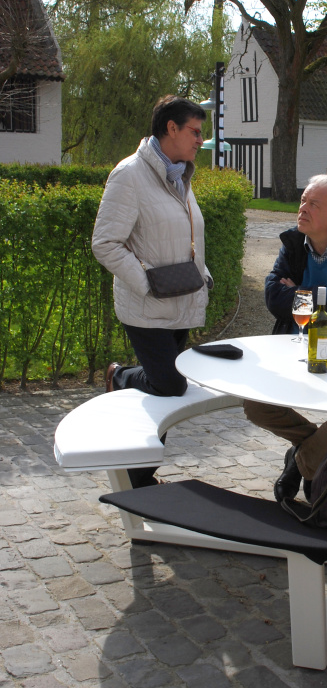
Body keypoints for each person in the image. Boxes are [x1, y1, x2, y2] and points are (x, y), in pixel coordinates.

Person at [92, 95, 212, 487]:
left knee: (166, 396)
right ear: (171, 129)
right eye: (194, 132)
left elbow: (185, 236)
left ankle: (140, 478)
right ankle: (121, 376)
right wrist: (145, 282)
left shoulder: (180, 175)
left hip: (181, 302)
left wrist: (203, 274)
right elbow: (105, 243)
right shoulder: (130, 175)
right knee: (169, 384)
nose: (200, 140)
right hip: (146, 306)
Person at [243, 174, 327, 501]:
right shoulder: (293, 243)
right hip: (291, 349)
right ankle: (310, 451)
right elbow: (274, 300)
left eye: (313, 204)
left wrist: (301, 294)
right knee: (255, 406)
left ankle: (301, 462)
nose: (302, 208)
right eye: (303, 200)